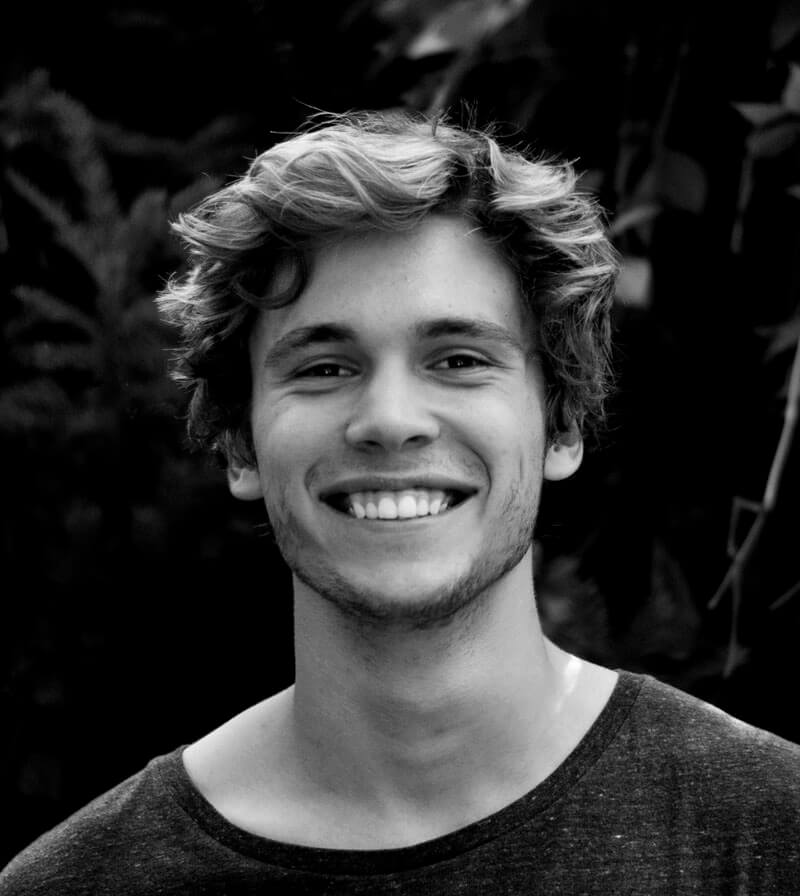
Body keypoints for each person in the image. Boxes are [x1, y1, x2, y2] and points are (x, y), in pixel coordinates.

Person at [2, 110, 798, 895]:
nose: (389, 421)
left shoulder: (769, 832)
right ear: (240, 443)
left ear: (561, 422)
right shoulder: (74, 885)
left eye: (457, 359)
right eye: (323, 368)